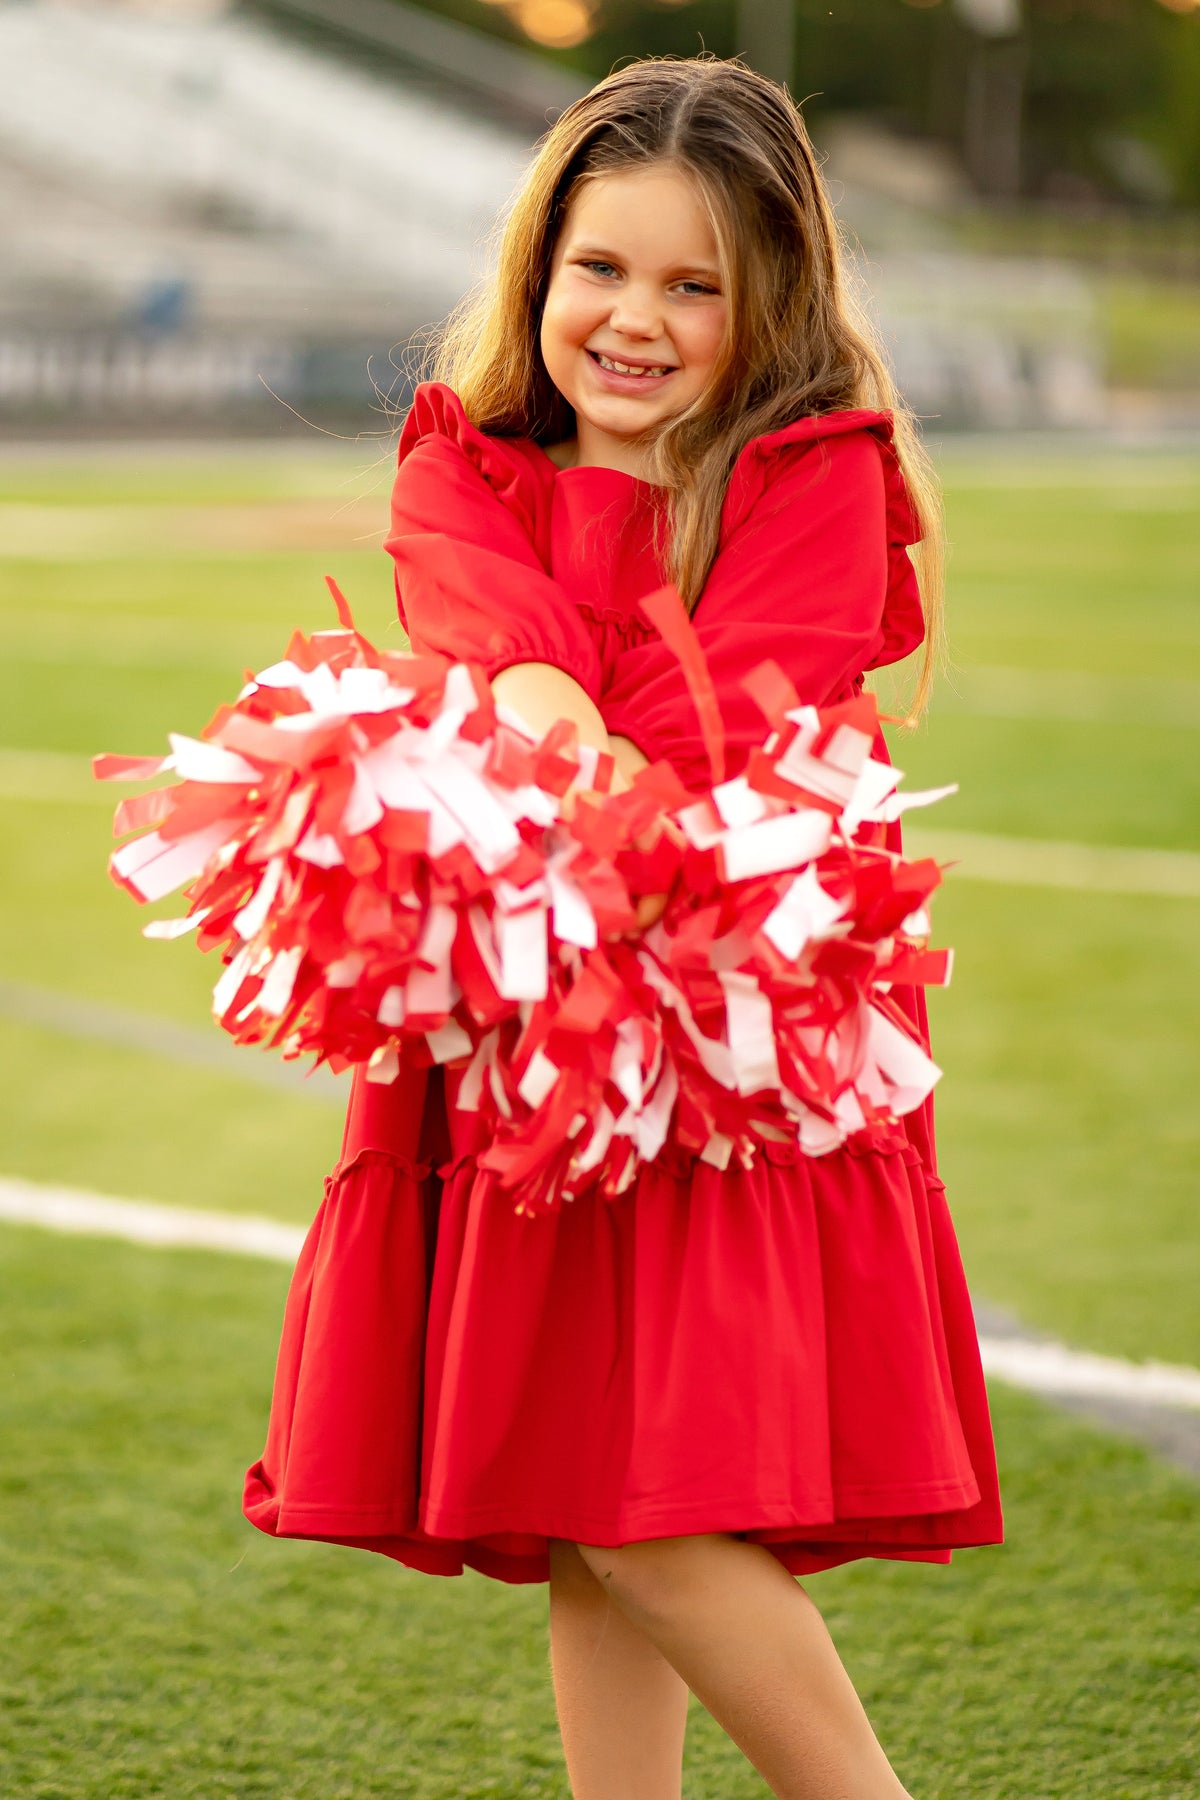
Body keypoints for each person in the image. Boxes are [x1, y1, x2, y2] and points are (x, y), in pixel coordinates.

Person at [244, 55, 1002, 1800]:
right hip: (523, 1060)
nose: (634, 321)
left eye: (694, 286)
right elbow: (481, 605)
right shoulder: (466, 461)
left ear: (773, 306)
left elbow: (722, 709)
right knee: (587, 1524)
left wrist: (557, 719)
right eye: (600, 269)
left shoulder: (816, 472)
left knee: (652, 1520)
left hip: (713, 1069)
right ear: (537, 273)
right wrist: (531, 688)